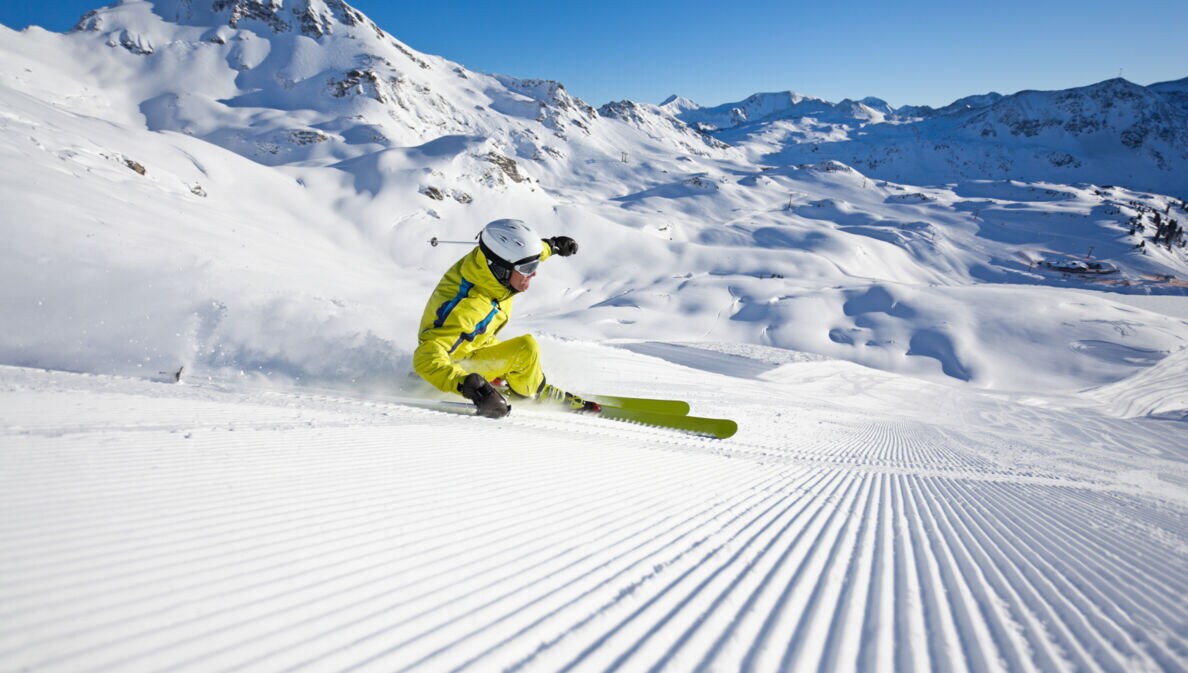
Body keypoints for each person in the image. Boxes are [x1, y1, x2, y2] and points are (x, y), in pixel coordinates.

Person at [413, 218, 592, 418]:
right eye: (528, 269)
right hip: (459, 364)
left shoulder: (490, 268)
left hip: (476, 342)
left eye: (534, 265)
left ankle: (511, 379)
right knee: (526, 349)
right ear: (501, 268)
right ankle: (533, 393)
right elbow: (426, 355)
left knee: (519, 353)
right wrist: (471, 387)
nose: (533, 274)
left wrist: (553, 246)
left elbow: (528, 255)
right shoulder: (467, 308)